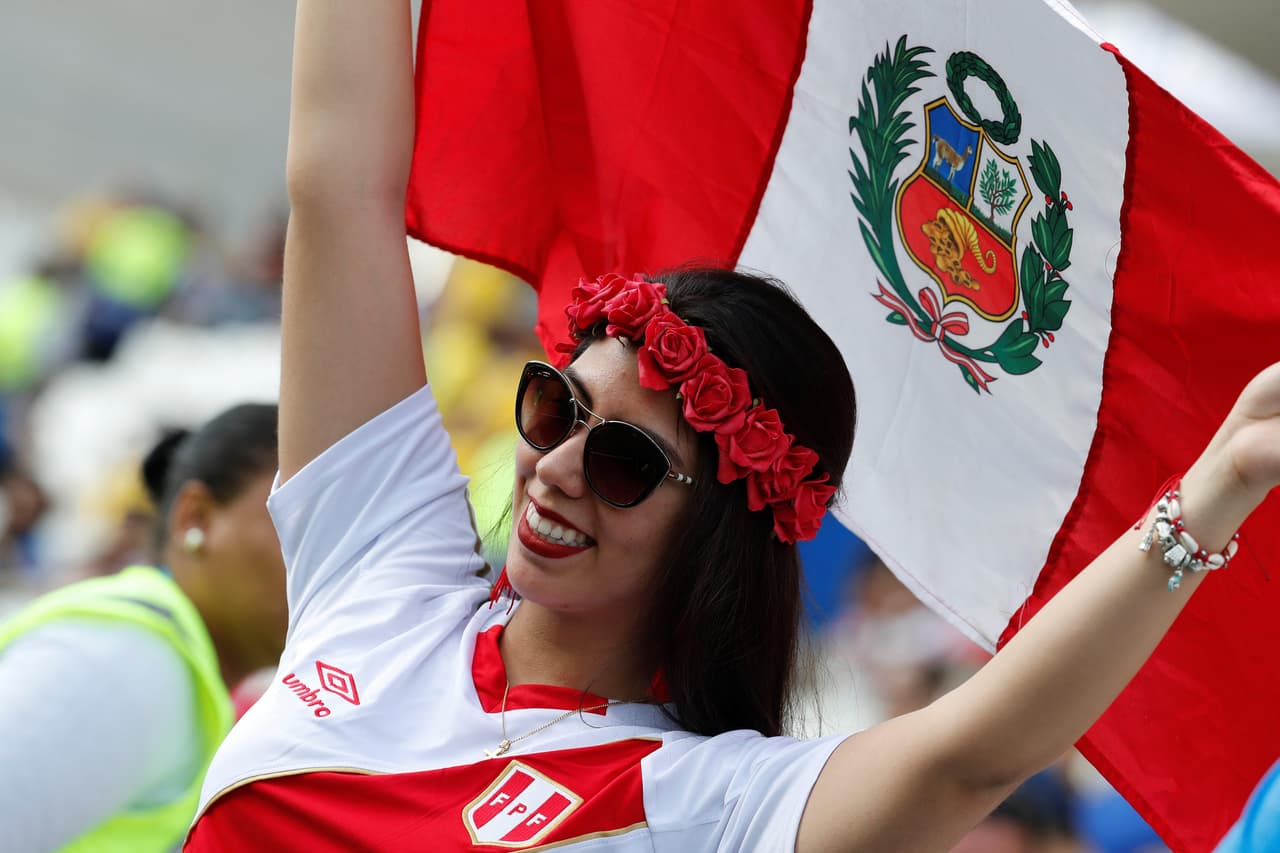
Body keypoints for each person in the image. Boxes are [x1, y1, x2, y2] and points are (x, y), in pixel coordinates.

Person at [184, 3, 1280, 851]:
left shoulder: (708, 799)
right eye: (554, 406)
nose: (558, 466)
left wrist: (1217, 485)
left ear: (718, 529)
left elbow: (971, 754)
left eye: (622, 462)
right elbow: (338, 189)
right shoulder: (384, 567)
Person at [0, 402, 286, 852]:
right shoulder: (123, 661)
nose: (332, 557)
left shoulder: (173, 671)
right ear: (196, 518)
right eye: (297, 521)